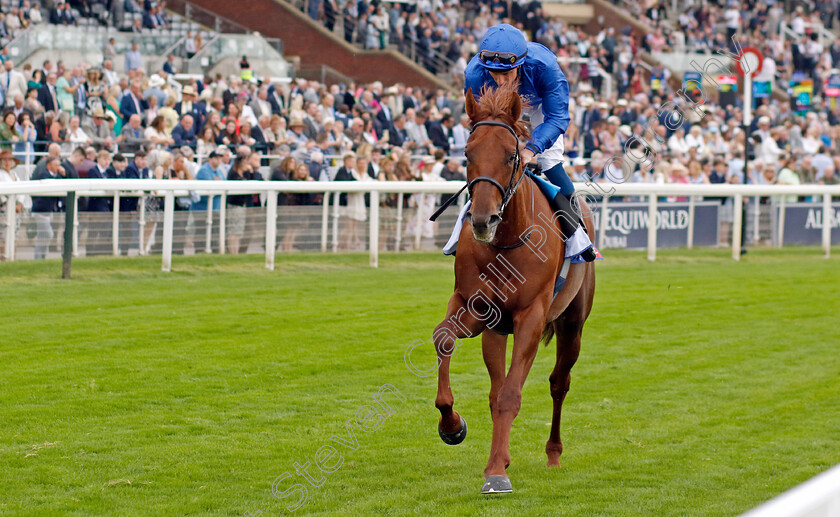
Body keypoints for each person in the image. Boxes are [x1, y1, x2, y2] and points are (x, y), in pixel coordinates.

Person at [447, 24, 596, 262]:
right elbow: (478, 120)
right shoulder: (475, 74)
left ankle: (578, 235)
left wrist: (530, 150)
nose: (501, 80)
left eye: (507, 73)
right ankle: (461, 233)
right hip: (497, 107)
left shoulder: (545, 67)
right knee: (486, 160)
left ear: (521, 63)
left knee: (549, 160)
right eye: (495, 74)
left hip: (539, 107)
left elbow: (558, 117)